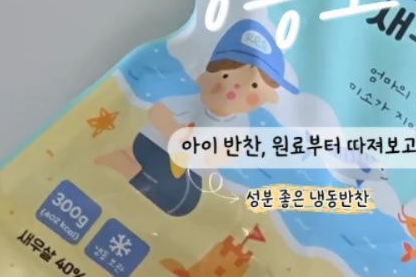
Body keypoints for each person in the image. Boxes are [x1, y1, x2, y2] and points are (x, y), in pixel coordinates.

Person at [95, 19, 298, 216]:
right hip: (153, 146)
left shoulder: (239, 126)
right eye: (226, 76)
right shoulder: (192, 102)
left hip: (189, 171)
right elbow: (158, 112)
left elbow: (227, 153)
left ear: (266, 99)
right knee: (166, 189)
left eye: (253, 85)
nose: (235, 88)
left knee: (183, 204)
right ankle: (123, 163)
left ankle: (126, 164)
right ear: (204, 77)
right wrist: (173, 131)